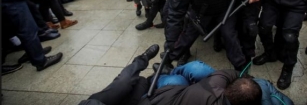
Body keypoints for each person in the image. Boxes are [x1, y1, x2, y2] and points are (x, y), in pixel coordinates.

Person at [79, 44, 293, 105]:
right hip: (167, 90)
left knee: (126, 81)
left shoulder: (211, 91)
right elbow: (227, 73)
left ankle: (146, 63)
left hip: (150, 97)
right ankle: (158, 68)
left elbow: (227, 73)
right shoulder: (215, 89)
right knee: (191, 71)